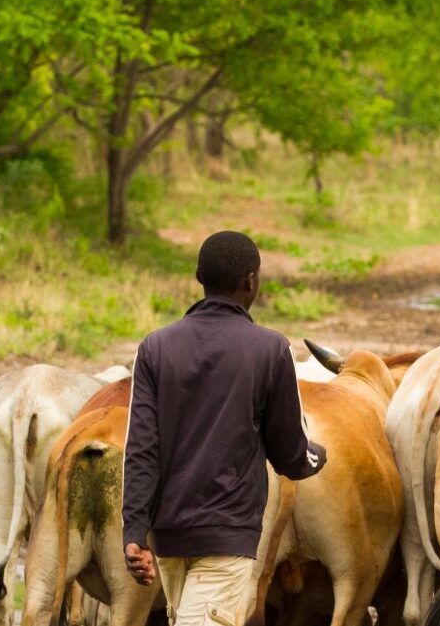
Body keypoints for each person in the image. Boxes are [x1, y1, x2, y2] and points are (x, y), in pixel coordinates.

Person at [121, 230, 327, 626]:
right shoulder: (270, 350)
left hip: (168, 541)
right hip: (227, 539)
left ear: (199, 276)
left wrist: (134, 530)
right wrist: (314, 457)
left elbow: (141, 448)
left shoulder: (154, 348)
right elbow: (289, 452)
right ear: (251, 280)